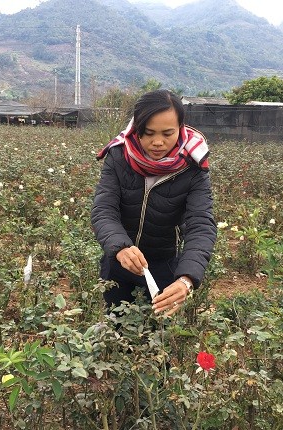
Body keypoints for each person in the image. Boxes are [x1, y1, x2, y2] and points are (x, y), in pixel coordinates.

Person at [91, 89, 217, 317]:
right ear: (137, 129)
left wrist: (187, 278)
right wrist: (120, 247)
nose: (158, 142)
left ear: (181, 128)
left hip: (164, 265)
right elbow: (104, 209)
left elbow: (201, 224)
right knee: (115, 328)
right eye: (148, 133)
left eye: (168, 133)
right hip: (119, 262)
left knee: (157, 334)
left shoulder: (194, 167)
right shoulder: (119, 156)